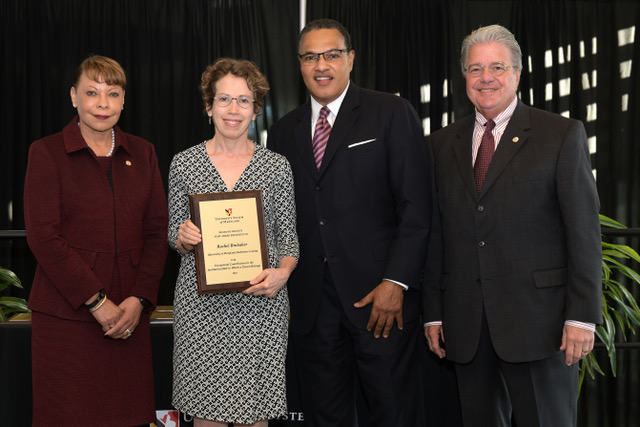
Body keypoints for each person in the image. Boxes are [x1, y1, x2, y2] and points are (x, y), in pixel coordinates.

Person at [423, 24, 602, 426]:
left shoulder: (560, 134)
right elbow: (436, 235)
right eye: (475, 69)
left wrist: (581, 317)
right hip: (466, 326)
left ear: (518, 74)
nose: (486, 78)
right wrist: (433, 313)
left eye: (498, 67)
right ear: (464, 77)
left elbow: (584, 233)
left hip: (542, 325)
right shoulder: (439, 145)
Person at [267, 19, 431, 426]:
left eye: (332, 54)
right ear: (300, 65)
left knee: (393, 412)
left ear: (351, 59)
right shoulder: (282, 131)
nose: (321, 65)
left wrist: (396, 282)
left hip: (380, 302)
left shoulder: (391, 112)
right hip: (311, 307)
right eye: (310, 57)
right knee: (326, 417)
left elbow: (418, 207)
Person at [23, 55, 168, 426]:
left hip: (128, 318)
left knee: (128, 417)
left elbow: (156, 231)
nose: (102, 103)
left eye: (113, 93)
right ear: (74, 97)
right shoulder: (47, 152)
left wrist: (140, 299)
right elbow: (44, 237)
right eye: (92, 92)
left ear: (123, 101)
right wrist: (96, 301)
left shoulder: (144, 152)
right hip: (66, 319)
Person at [168, 58, 299, 427]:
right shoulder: (184, 164)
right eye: (224, 99)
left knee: (253, 419)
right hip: (201, 312)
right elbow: (172, 235)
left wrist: (283, 274)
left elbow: (289, 239)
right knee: (205, 418)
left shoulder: (276, 166)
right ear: (208, 106)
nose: (233, 109)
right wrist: (182, 237)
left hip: (260, 308)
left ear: (256, 110)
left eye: (244, 100)